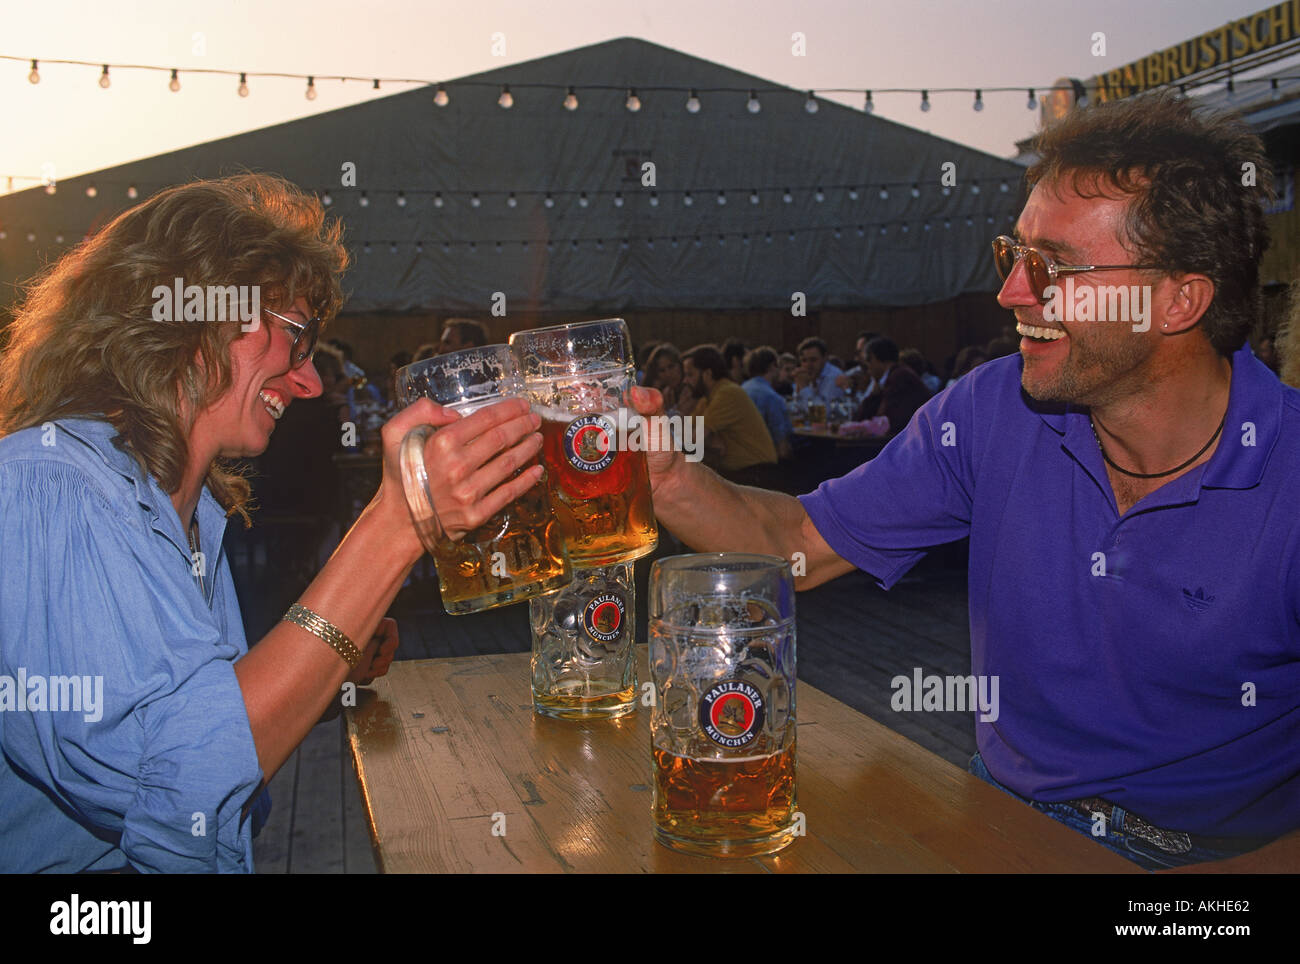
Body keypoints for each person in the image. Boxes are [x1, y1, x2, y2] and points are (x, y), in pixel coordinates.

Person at [621, 91, 1300, 870]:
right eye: (1014, 256)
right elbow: (795, 542)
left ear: (1180, 300)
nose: (1013, 293)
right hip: (1000, 817)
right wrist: (667, 478)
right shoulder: (992, 409)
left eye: (1055, 267)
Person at [0, 174, 543, 872]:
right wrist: (398, 525)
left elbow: (185, 728)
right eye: (296, 336)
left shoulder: (184, 511)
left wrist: (319, 668)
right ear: (191, 320)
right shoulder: (48, 488)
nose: (310, 381)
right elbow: (170, 788)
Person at [681, 344, 776, 478]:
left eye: (690, 375)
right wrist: (711, 441)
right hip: (741, 473)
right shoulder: (707, 398)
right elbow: (685, 436)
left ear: (707, 374)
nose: (685, 381)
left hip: (759, 473)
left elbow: (691, 442)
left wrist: (705, 441)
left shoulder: (727, 393)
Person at [854, 336, 932, 433]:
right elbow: (862, 418)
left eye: (868, 360)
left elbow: (887, 422)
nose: (868, 367)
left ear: (875, 358)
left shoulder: (900, 377)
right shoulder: (894, 375)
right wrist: (874, 395)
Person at [740, 346, 793, 459]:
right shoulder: (771, 397)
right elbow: (782, 446)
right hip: (763, 459)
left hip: (741, 454)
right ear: (772, 366)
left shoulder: (741, 389)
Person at [793, 336, 847, 406]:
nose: (808, 365)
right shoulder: (807, 376)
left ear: (824, 358)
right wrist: (798, 388)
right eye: (804, 360)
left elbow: (824, 412)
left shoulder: (834, 376)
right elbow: (796, 408)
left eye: (813, 360)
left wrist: (804, 387)